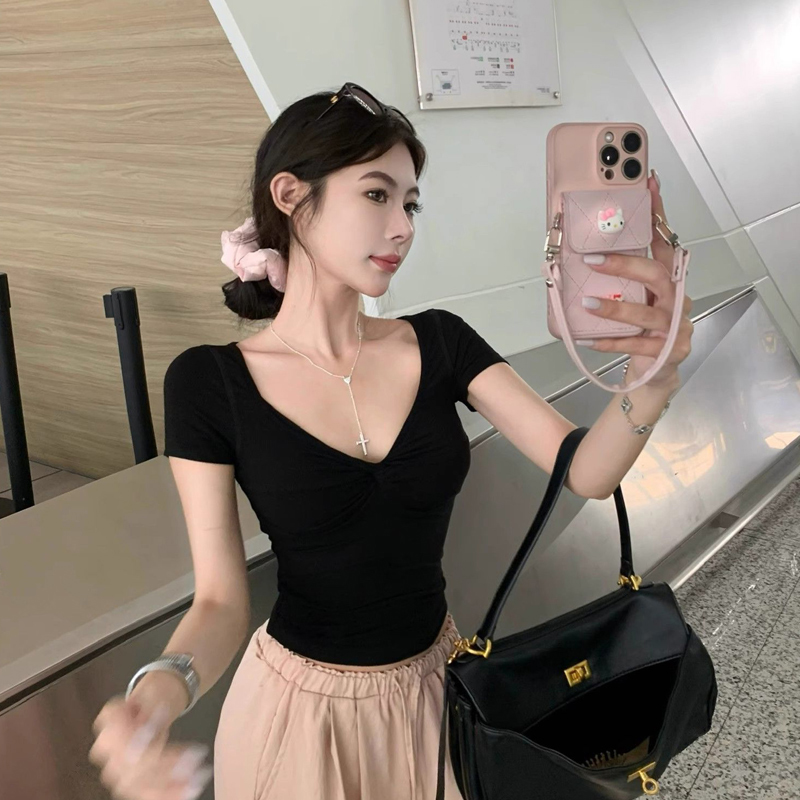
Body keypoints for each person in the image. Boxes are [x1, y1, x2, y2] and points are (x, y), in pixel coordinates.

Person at [88, 83, 693, 800]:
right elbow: (220, 600)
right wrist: (156, 696)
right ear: (290, 195)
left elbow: (586, 471)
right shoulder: (208, 382)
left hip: (440, 699)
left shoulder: (440, 341)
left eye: (410, 204)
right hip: (296, 718)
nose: (402, 227)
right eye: (377, 195)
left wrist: (655, 377)